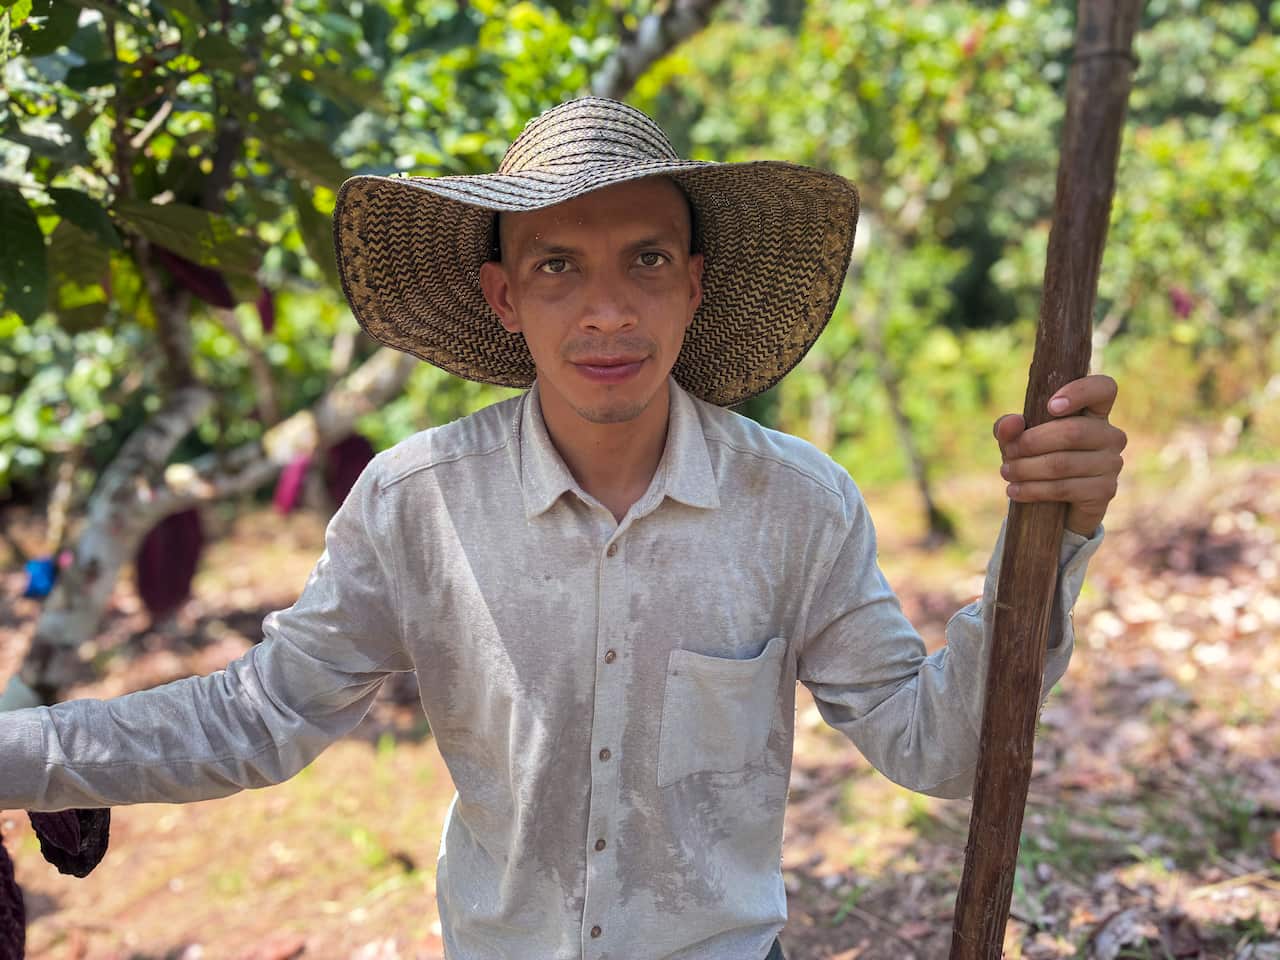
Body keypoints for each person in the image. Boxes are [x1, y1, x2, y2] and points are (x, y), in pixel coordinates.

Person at [0, 98, 1126, 960]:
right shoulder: (417, 502)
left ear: (694, 285)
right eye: (557, 267)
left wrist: (1049, 540)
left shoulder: (795, 504)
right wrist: (22, 755)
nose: (605, 311)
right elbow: (256, 718)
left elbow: (940, 746)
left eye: (644, 261)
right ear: (502, 298)